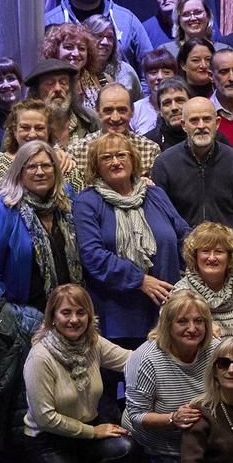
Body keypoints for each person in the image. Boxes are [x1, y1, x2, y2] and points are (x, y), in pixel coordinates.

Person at [0, 285, 135, 463]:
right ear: (52, 317)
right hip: (49, 441)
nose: (74, 320)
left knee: (124, 448)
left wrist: (165, 341)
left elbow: (133, 360)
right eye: (66, 312)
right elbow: (46, 418)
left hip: (84, 434)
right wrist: (93, 432)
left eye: (81, 312)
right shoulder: (40, 357)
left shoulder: (92, 343)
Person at [73, 132, 190, 352]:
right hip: (116, 320)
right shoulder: (87, 202)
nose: (115, 162)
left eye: (121, 155)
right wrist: (140, 280)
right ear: (95, 166)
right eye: (106, 157)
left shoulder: (155, 194)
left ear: (133, 160)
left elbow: (185, 236)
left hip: (165, 312)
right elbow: (92, 255)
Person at [122, 289, 217, 463]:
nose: (192, 328)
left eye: (199, 321)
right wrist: (173, 418)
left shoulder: (215, 350)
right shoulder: (147, 358)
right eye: (182, 321)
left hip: (199, 447)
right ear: (167, 325)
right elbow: (136, 415)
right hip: (155, 445)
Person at [0, 140, 77, 324]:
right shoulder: (2, 208)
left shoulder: (66, 201)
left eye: (46, 165)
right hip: (22, 321)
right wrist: (5, 317)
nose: (40, 172)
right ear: (19, 171)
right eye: (31, 166)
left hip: (68, 318)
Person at [150, 94, 233, 257]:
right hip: (183, 262)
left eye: (207, 119)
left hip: (228, 260)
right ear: (183, 125)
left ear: (217, 123)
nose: (201, 126)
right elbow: (161, 225)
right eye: (194, 120)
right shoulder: (164, 164)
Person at [173, 220, 233, 338]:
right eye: (205, 251)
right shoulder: (179, 293)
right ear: (195, 255)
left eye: (219, 252)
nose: (211, 258)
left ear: (230, 256)